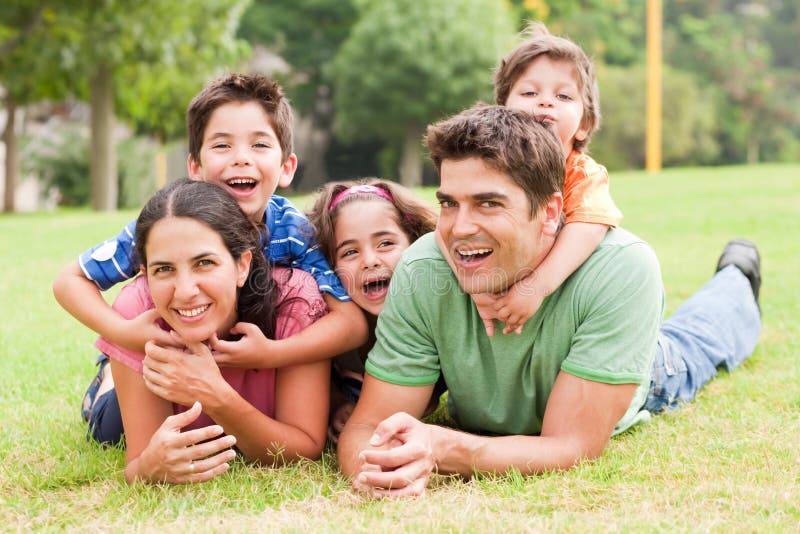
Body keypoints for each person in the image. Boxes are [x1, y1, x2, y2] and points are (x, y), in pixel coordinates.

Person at [337, 104, 761, 498]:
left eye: (488, 203)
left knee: (698, 341)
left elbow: (570, 445)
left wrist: (445, 447)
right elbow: (367, 430)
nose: (459, 228)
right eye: (449, 203)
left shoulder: (622, 268)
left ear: (551, 212)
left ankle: (737, 276)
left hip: (645, 373)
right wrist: (378, 470)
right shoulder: (424, 269)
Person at [51, 74, 367, 441]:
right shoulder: (166, 223)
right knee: (112, 432)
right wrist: (125, 335)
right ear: (195, 168)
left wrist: (271, 354)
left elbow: (350, 323)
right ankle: (107, 380)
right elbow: (70, 281)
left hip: (252, 368)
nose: (241, 159)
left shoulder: (292, 231)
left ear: (286, 167)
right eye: (222, 145)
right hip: (161, 360)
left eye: (259, 144)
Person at [92, 179, 330, 484]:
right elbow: (138, 465)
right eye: (163, 269)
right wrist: (149, 467)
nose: (186, 290)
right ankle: (108, 374)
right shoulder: (138, 309)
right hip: (117, 408)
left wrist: (215, 395)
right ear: (145, 273)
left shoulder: (295, 298)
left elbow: (305, 447)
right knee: (108, 429)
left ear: (242, 266)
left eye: (204, 263)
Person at [468, 22, 622, 336]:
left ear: (584, 125)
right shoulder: (485, 165)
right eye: (529, 92)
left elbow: (588, 227)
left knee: (688, 348)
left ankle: (734, 277)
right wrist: (474, 286)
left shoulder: (582, 174)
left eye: (563, 96)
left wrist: (536, 288)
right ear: (503, 111)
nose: (546, 101)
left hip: (580, 318)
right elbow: (449, 226)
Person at [307, 179, 439, 441]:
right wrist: (337, 404)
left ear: (415, 244)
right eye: (350, 252)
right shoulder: (329, 326)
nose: (369, 261)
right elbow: (315, 376)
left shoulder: (437, 308)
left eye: (386, 244)